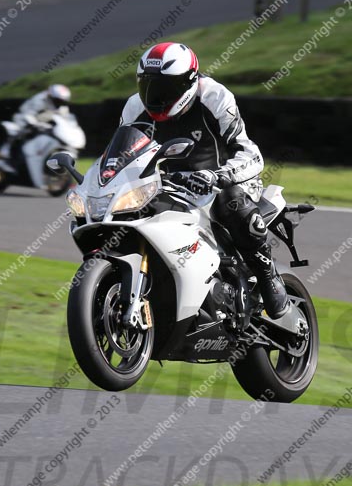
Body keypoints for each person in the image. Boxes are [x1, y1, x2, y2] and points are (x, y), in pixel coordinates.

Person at [119, 41, 290, 320]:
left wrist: (217, 176)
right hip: (166, 184)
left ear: (189, 81)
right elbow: (122, 156)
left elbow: (250, 153)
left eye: (165, 89)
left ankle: (268, 275)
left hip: (223, 178)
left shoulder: (214, 97)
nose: (156, 97)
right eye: (148, 87)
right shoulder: (134, 108)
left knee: (230, 202)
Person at [0, 84, 72, 163]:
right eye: (58, 100)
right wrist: (37, 124)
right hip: (25, 120)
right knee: (18, 132)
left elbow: (65, 119)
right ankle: (5, 152)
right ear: (51, 96)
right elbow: (28, 115)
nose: (59, 103)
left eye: (62, 101)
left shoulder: (62, 106)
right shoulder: (39, 100)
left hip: (46, 124)